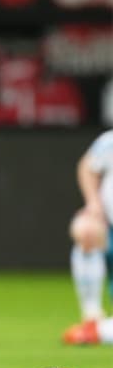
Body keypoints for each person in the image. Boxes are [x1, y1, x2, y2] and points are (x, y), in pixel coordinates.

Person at [63, 128, 113, 345]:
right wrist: (94, 204)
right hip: (109, 228)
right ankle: (92, 316)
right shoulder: (111, 142)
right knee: (86, 228)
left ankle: (98, 332)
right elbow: (87, 166)